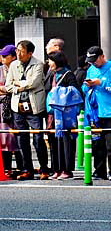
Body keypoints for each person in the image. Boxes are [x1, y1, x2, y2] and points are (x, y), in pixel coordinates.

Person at [5, 40, 49, 180]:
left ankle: (44, 169)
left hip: (34, 107)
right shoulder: (14, 64)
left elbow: (33, 83)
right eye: (17, 50)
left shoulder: (38, 64)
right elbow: (8, 85)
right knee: (22, 139)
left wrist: (18, 84)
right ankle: (27, 169)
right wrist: (19, 87)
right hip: (17, 107)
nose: (18, 54)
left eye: (21, 51)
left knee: (38, 139)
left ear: (30, 53)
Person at [82, 46, 111, 181]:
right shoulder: (91, 70)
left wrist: (101, 83)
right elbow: (84, 88)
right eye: (90, 61)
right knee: (97, 144)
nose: (93, 63)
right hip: (94, 111)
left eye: (95, 60)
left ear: (102, 57)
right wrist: (87, 85)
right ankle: (99, 171)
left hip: (110, 112)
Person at [44, 51, 80, 180]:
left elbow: (75, 91)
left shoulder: (68, 74)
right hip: (52, 114)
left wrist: (59, 91)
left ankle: (67, 169)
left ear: (57, 61)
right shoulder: (51, 74)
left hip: (65, 114)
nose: (49, 63)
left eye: (51, 60)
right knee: (54, 141)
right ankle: (57, 169)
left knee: (66, 141)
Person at [0, 45, 23, 177]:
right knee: (4, 137)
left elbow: (21, 86)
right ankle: (7, 167)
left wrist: (6, 88)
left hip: (17, 105)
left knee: (18, 135)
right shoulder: (0, 70)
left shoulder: (19, 68)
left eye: (5, 56)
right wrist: (9, 88)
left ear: (13, 57)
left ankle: (22, 167)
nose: (2, 58)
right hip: (3, 108)